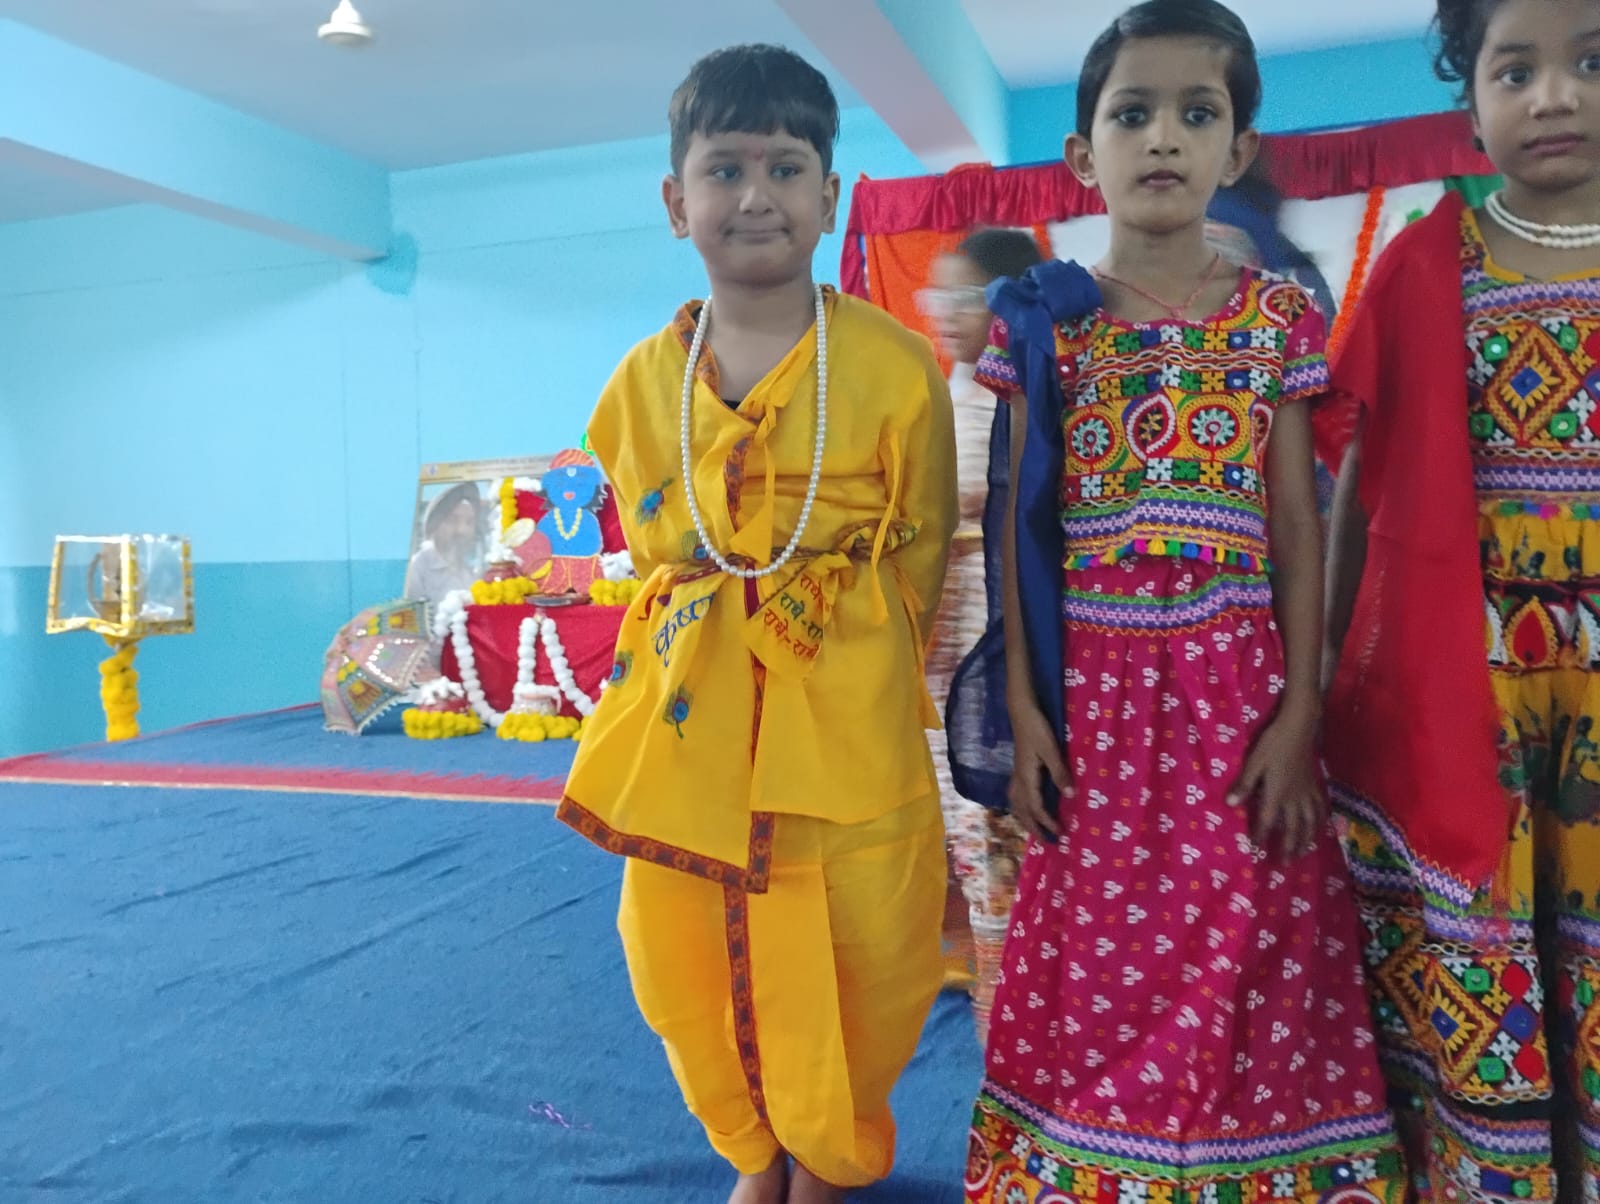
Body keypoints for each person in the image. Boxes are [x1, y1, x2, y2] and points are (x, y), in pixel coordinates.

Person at [962, 4, 1406, 1201]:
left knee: (1258, 931)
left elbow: (1296, 528)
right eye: (1132, 114)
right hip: (1094, 704)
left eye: (1195, 114)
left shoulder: (1274, 320)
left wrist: (1300, 713)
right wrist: (1023, 708)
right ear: (1081, 154)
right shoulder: (1045, 321)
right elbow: (1016, 528)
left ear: (1237, 148)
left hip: (1239, 698)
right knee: (1099, 956)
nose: (1162, 136)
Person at [554, 44, 958, 1204]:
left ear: (828, 196)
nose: (755, 195)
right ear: (674, 200)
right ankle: (752, 1148)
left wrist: (842, 654)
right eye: (723, 169)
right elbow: (648, 549)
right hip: (687, 729)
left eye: (785, 167)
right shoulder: (639, 384)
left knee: (866, 945)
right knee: (675, 948)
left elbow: (922, 547)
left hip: (845, 724)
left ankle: (825, 1157)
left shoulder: (894, 366)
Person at [1322, 1, 1600, 1198]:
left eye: (1590, 62)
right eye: (1514, 69)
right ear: (1471, 103)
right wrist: (1320, 681)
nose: (1554, 95)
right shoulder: (1425, 264)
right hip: (1468, 699)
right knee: (1491, 988)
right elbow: (1358, 492)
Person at [917, 228, 1042, 1040]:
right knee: (971, 844)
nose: (947, 315)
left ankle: (1019, 1026)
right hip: (945, 656)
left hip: (1001, 654)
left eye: (967, 297)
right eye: (939, 297)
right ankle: (999, 1013)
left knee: (1001, 839)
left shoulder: (1031, 395)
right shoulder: (947, 397)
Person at [404, 482, 482, 608]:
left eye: (469, 522)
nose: (461, 530)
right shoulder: (416, 569)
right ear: (434, 524)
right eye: (452, 520)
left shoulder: (469, 574)